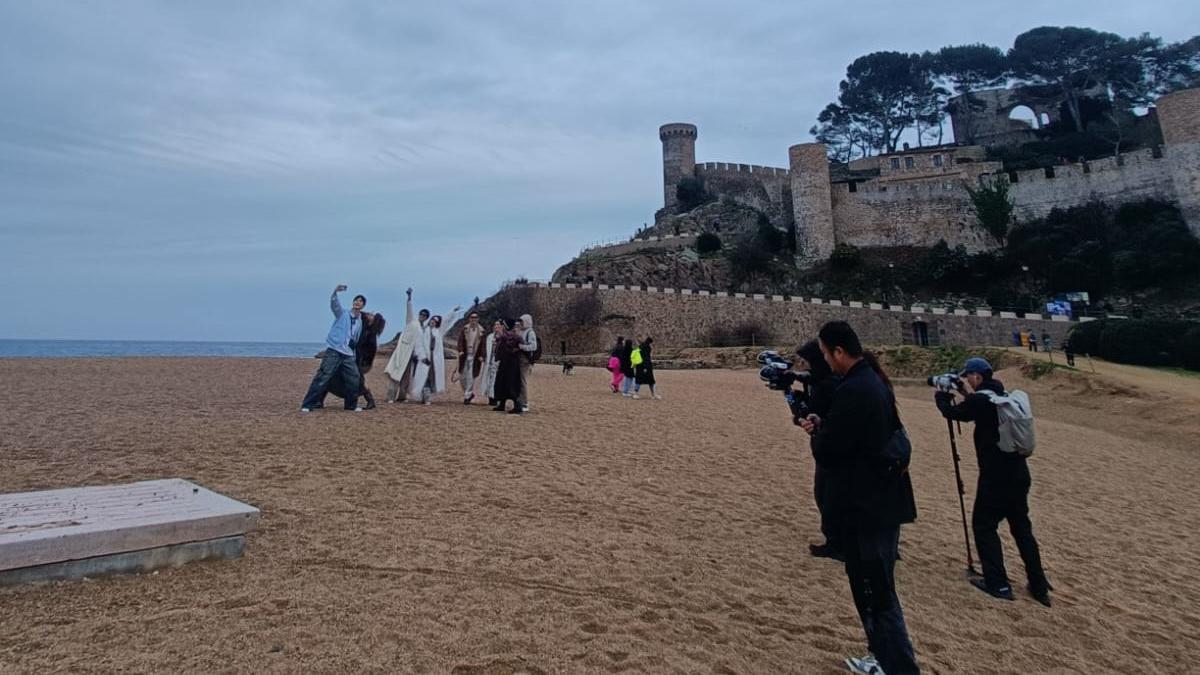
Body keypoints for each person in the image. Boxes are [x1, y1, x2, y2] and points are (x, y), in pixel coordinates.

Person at [799, 321, 919, 675]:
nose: (823, 361)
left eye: (824, 353)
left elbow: (829, 450)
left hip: (869, 506)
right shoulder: (872, 381)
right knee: (876, 591)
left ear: (838, 351)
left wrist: (816, 432)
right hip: (879, 500)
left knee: (877, 595)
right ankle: (883, 657)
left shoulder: (856, 389)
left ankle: (897, 667)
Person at [935, 357, 1052, 608]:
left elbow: (954, 413)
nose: (967, 381)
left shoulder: (981, 400)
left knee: (984, 525)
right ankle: (1039, 583)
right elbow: (977, 406)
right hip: (1019, 472)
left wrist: (941, 395)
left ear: (977, 376)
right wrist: (963, 391)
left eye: (969, 377)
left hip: (995, 477)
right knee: (1022, 528)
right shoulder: (1002, 396)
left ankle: (997, 583)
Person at [794, 339, 843, 562]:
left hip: (832, 448)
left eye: (806, 362)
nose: (803, 367)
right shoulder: (825, 381)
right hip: (830, 446)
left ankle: (836, 543)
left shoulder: (828, 384)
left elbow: (818, 413)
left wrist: (804, 412)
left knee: (827, 494)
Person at [301, 285, 365, 413]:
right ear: (353, 303)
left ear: (363, 305)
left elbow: (355, 335)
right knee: (323, 376)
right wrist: (335, 292)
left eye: (360, 301)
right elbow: (334, 305)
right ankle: (308, 404)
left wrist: (353, 345)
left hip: (348, 353)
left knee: (354, 378)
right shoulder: (343, 314)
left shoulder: (359, 321)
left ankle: (351, 405)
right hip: (334, 350)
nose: (357, 302)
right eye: (356, 300)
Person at [327, 311, 387, 409]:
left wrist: (360, 364)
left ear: (373, 321)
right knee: (347, 377)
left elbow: (366, 352)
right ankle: (368, 400)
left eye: (372, 315)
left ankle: (370, 400)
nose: (370, 314)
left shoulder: (369, 335)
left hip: (361, 362)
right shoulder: (366, 329)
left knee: (359, 380)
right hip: (359, 360)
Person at [384, 288, 428, 403]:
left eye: (425, 315)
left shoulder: (424, 330)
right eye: (421, 314)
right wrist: (409, 298)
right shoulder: (411, 322)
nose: (422, 316)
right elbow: (409, 310)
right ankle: (391, 396)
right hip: (403, 352)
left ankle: (402, 396)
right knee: (395, 373)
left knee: (406, 377)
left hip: (413, 356)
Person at [410, 305, 461, 404]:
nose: (433, 322)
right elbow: (418, 344)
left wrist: (453, 312)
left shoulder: (438, 332)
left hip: (435, 358)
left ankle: (427, 396)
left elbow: (446, 321)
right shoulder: (423, 330)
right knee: (422, 376)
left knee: (431, 376)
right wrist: (422, 356)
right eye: (432, 320)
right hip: (424, 357)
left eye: (435, 321)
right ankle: (423, 396)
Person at [492, 320, 524, 414]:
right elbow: (520, 347)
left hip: (507, 363)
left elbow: (499, 350)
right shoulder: (517, 337)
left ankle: (515, 406)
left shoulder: (503, 337)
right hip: (513, 363)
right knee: (511, 383)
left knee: (504, 383)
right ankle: (505, 404)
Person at [456, 310, 486, 404]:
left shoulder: (482, 331)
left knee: (471, 376)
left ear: (478, 319)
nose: (473, 319)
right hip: (465, 355)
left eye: (475, 318)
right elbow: (460, 341)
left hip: (475, 356)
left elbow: (483, 345)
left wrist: (482, 355)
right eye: (472, 318)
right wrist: (460, 350)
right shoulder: (464, 329)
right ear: (469, 319)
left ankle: (467, 396)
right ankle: (468, 392)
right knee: (462, 377)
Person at [516, 313, 538, 413]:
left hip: (525, 360)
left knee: (522, 381)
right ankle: (520, 401)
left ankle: (524, 403)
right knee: (519, 381)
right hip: (519, 358)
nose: (520, 323)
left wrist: (522, 347)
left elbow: (534, 346)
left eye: (522, 321)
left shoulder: (530, 332)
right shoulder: (522, 331)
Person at [481, 319, 504, 406]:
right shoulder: (490, 337)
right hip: (490, 360)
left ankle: (496, 397)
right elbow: (485, 348)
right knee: (489, 379)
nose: (496, 326)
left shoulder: (504, 337)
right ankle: (491, 397)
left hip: (499, 361)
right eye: (495, 325)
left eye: (498, 325)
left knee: (496, 380)